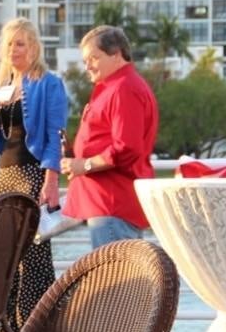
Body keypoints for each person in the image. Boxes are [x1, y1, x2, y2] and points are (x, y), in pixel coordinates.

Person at [0, 18, 68, 332]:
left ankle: (35, 329)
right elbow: (5, 143)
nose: (14, 50)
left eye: (21, 43)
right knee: (9, 256)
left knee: (34, 257)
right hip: (6, 175)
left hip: (32, 174)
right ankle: (9, 329)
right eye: (10, 44)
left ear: (34, 47)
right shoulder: (3, 87)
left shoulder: (47, 83)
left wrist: (51, 179)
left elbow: (55, 135)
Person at [62, 25, 158, 249]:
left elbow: (126, 147)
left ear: (116, 54)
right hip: (106, 205)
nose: (87, 66)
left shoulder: (124, 88)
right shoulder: (114, 87)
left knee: (116, 281)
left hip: (113, 205)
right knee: (115, 278)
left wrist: (83, 164)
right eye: (86, 60)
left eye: (94, 58)